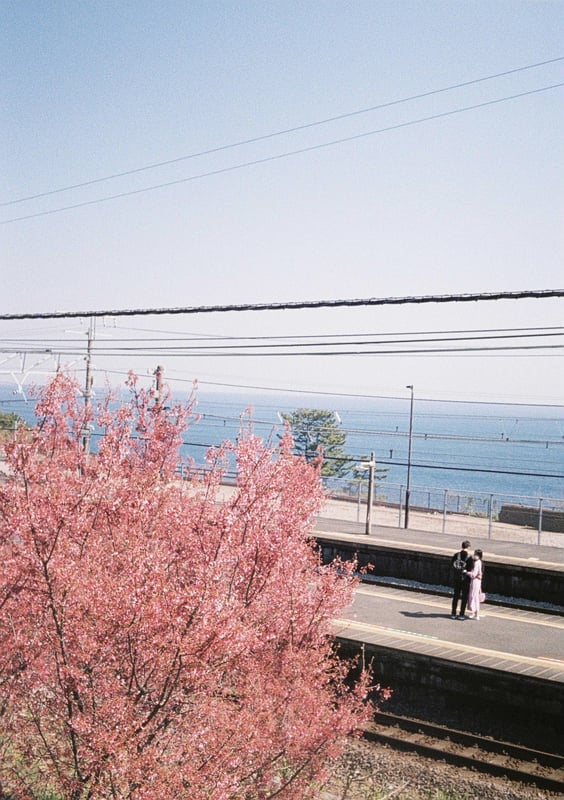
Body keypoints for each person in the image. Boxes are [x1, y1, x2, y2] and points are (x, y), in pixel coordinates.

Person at [450, 540, 473, 619]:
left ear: (462, 546)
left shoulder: (456, 555)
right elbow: (470, 569)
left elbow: (452, 565)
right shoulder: (469, 558)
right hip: (465, 579)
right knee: (464, 597)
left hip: (456, 578)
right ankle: (461, 614)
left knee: (456, 595)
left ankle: (453, 613)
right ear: (469, 547)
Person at [465, 549, 484, 620]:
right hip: (477, 581)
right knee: (475, 597)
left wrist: (467, 572)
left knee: (473, 596)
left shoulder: (476, 563)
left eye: (475, 554)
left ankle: (476, 614)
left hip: (475, 581)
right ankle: (475, 613)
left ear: (479, 556)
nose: (474, 556)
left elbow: (473, 574)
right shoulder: (479, 562)